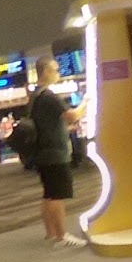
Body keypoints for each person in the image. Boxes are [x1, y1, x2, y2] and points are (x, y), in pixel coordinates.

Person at [20, 60, 80, 248]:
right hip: (55, 152)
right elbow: (72, 116)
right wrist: (86, 103)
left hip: (42, 152)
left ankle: (51, 233)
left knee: (48, 194)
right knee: (57, 195)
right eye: (55, 70)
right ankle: (62, 236)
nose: (58, 73)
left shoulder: (35, 96)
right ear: (45, 71)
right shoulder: (49, 97)